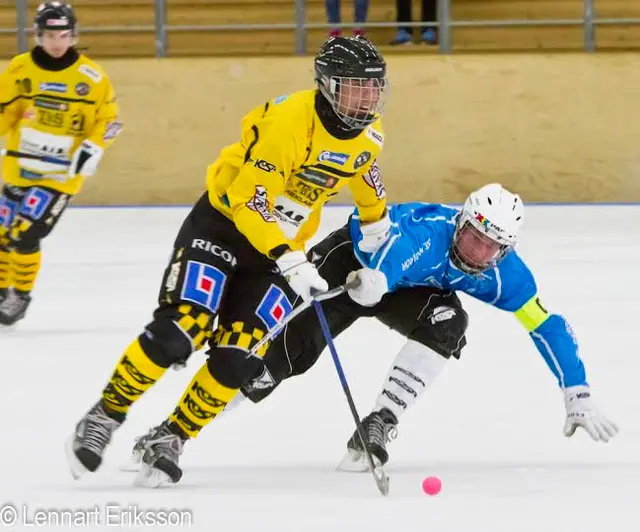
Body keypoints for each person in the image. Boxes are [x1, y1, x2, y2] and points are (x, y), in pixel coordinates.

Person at [65, 35, 391, 488]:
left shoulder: (367, 140)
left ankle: (171, 437)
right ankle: (105, 414)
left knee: (239, 358)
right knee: (181, 329)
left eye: (374, 88)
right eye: (357, 87)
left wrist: (375, 256)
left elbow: (370, 194)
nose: (368, 98)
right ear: (328, 86)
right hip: (223, 229)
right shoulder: (288, 124)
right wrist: (291, 259)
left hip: (278, 256)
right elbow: (248, 201)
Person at [127, 183, 618, 478]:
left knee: (450, 320)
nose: (476, 252)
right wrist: (375, 282)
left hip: (400, 285)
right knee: (277, 363)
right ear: (462, 222)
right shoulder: (429, 235)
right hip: (353, 263)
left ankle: (380, 421)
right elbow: (391, 261)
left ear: (505, 250)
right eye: (472, 236)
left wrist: (576, 387)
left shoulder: (503, 274)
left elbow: (546, 324)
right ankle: (172, 433)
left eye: (491, 247)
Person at [0, 1, 121, 325]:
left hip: (59, 175)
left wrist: (93, 148)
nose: (58, 43)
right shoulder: (20, 68)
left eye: (64, 35)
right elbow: (6, 110)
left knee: (25, 233)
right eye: (51, 35)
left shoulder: (91, 77)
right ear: (38, 36)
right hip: (20, 168)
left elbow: (110, 121)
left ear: (74, 35)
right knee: (1, 232)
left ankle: (20, 295)